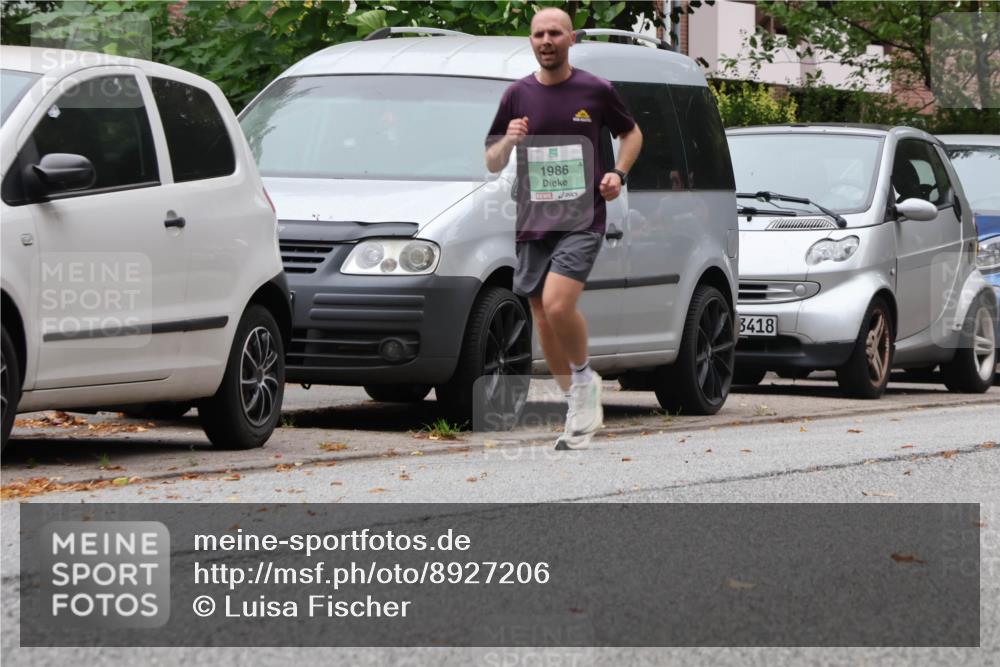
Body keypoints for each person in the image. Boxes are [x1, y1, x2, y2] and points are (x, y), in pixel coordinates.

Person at [485, 7, 643, 450]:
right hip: (533, 222)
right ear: (531, 42)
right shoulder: (516, 95)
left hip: (582, 219)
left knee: (557, 305)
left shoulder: (595, 90)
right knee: (541, 316)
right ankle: (576, 403)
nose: (546, 40)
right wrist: (509, 141)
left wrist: (618, 174)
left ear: (571, 39)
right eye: (538, 34)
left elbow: (632, 135)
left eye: (555, 33)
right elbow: (491, 160)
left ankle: (584, 378)